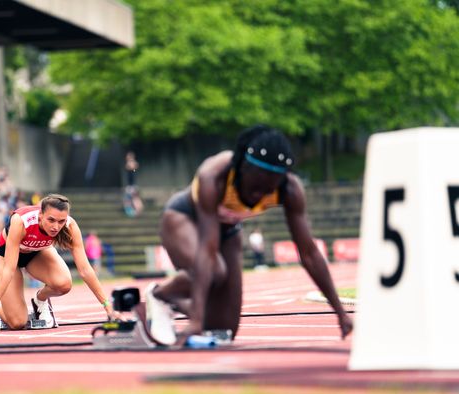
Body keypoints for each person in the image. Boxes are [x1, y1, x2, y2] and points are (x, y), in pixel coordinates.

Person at [145, 125, 353, 345]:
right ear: (242, 167)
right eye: (254, 186)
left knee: (223, 331)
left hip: (229, 228)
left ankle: (175, 302)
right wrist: (195, 320)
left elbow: (309, 253)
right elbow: (207, 249)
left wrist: (340, 312)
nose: (257, 195)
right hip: (184, 218)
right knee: (215, 271)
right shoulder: (214, 176)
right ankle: (159, 294)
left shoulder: (290, 189)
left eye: (267, 189)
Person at [0, 194, 120, 332]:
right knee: (18, 322)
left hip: (37, 252)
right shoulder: (21, 221)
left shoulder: (70, 226)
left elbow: (85, 270)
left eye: (61, 221)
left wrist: (109, 308)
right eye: (51, 220)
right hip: (6, 256)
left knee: (64, 284)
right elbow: (9, 270)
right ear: (40, 215)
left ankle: (40, 300)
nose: (56, 227)